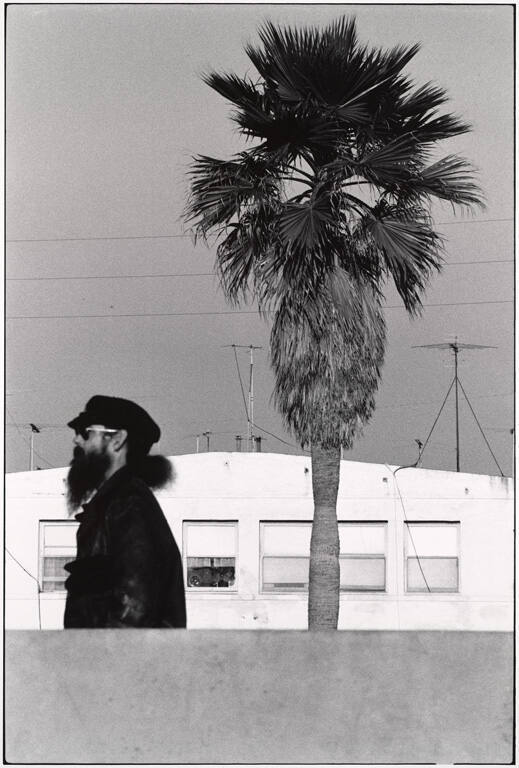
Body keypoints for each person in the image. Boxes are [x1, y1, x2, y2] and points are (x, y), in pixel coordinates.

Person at [63, 395, 186, 629]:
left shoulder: (129, 505)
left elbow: (136, 612)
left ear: (117, 439)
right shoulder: (115, 503)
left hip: (117, 662)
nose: (76, 440)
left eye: (86, 432)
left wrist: (95, 661)